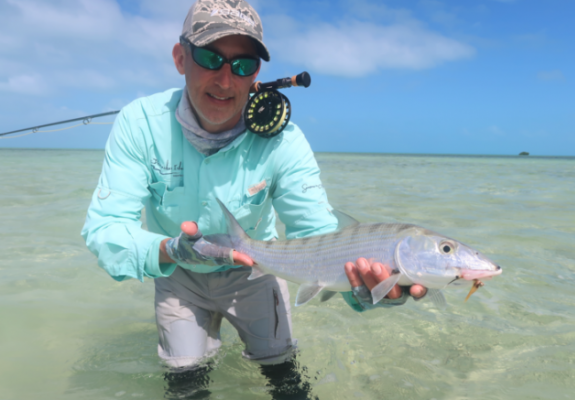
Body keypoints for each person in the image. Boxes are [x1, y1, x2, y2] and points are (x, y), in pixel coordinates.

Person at [81, 0, 426, 398]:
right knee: (185, 383)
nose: (226, 81)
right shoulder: (139, 124)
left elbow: (321, 236)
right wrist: (172, 249)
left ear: (256, 73)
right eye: (211, 58)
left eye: (242, 65)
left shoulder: (286, 142)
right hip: (175, 272)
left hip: (255, 272)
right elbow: (105, 228)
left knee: (285, 378)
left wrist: (368, 288)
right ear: (180, 57)